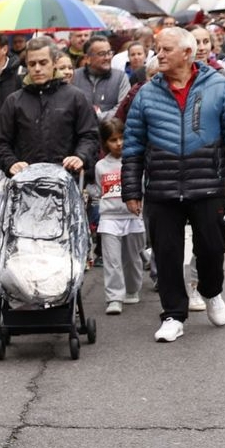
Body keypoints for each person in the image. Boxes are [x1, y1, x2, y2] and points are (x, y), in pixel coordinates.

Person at [122, 26, 225, 343]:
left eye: (166, 49)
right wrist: (131, 189)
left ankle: (211, 291)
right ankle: (173, 314)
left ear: (187, 52)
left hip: (208, 184)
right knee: (166, 254)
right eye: (158, 49)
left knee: (212, 247)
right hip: (162, 188)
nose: (159, 55)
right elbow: (133, 145)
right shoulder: (147, 93)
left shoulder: (218, 87)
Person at [0, 36, 99, 182]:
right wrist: (11, 163)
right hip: (25, 184)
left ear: (54, 63)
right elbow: (0, 142)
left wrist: (80, 156)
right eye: (32, 64)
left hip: (66, 181)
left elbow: (90, 135)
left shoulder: (75, 97)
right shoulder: (14, 101)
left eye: (43, 63)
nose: (37, 69)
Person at [90, 118, 144, 316]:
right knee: (112, 259)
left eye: (122, 138)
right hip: (109, 217)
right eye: (113, 140)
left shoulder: (135, 161)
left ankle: (132, 289)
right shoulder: (100, 166)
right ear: (105, 142)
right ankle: (114, 297)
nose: (119, 143)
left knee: (133, 257)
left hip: (133, 216)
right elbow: (98, 190)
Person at [71, 36, 131, 121]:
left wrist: (96, 118)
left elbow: (122, 107)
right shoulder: (74, 77)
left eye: (109, 53)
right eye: (102, 54)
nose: (107, 58)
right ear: (87, 58)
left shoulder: (120, 77)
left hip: (108, 130)